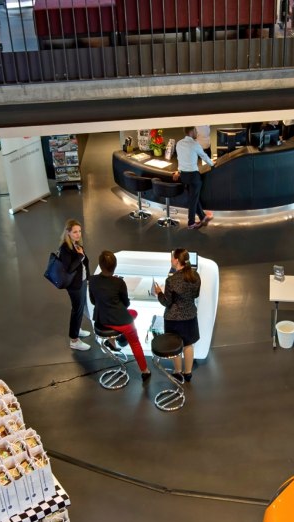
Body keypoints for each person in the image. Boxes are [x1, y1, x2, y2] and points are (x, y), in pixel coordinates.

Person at [89, 251, 151, 382]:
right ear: (115, 266)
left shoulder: (93, 280)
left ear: (100, 265)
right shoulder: (119, 283)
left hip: (103, 319)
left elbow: (94, 301)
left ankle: (113, 342)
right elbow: (126, 303)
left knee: (133, 313)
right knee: (135, 342)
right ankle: (145, 371)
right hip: (122, 322)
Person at [152, 248, 202, 383]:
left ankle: (178, 372)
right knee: (188, 345)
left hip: (173, 320)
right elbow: (196, 294)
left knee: (176, 347)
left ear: (176, 260)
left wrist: (159, 293)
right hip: (190, 316)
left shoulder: (171, 281)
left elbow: (166, 302)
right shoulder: (195, 276)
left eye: (172, 257)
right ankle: (188, 373)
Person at [172, 126, 214, 230]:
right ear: (191, 131)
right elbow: (204, 156)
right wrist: (212, 164)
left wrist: (179, 171)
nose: (197, 133)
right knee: (193, 200)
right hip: (193, 176)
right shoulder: (194, 144)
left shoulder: (179, 143)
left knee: (193, 198)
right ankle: (191, 223)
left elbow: (179, 159)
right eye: (196, 131)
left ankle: (203, 217)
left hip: (184, 176)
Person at [58, 219, 91, 351]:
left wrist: (87, 278)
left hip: (81, 281)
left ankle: (77, 329)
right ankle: (74, 340)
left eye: (79, 231)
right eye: (75, 232)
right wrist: (79, 257)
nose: (78, 234)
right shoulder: (65, 249)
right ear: (68, 233)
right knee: (77, 309)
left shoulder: (76, 244)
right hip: (74, 285)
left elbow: (84, 262)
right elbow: (69, 269)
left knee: (80, 307)